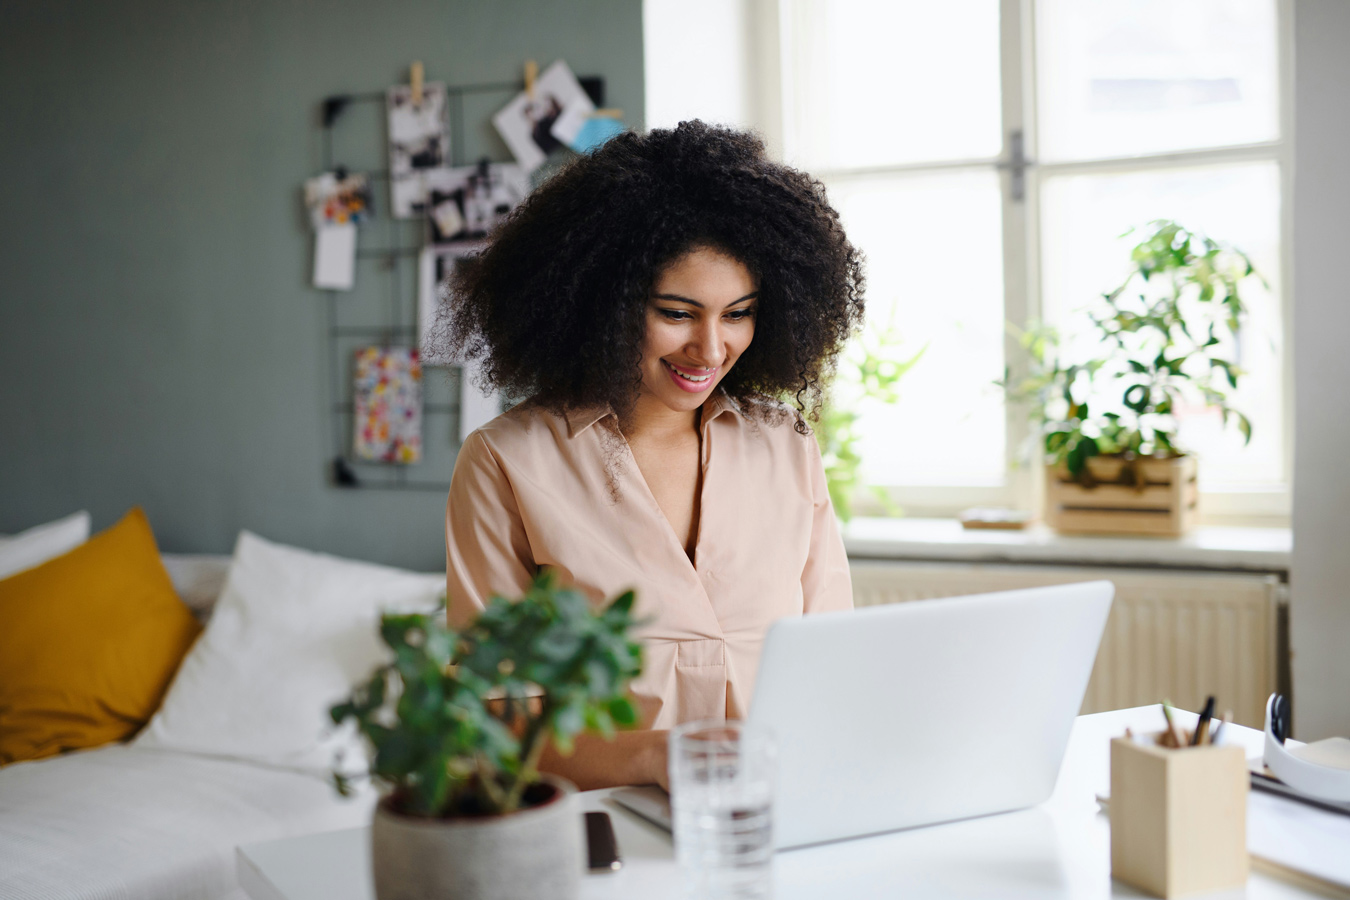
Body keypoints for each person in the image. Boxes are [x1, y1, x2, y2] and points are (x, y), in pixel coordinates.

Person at [438, 121, 864, 790]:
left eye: (739, 313)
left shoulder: (786, 446)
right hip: (607, 826)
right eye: (676, 312)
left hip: (784, 814)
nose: (712, 348)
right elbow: (494, 724)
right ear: (603, 303)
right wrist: (655, 757)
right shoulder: (506, 463)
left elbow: (837, 669)